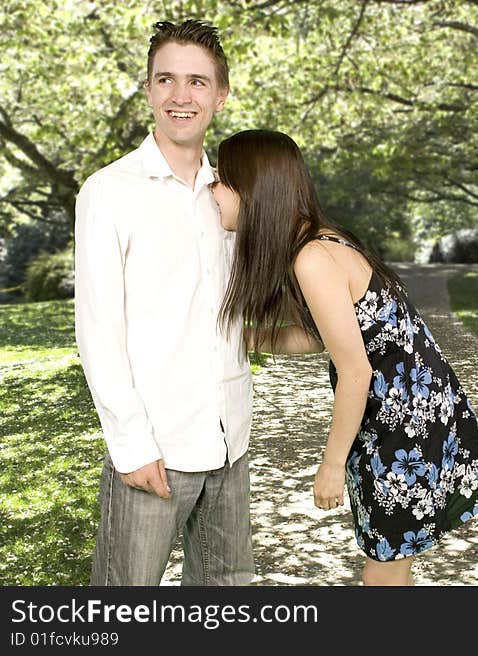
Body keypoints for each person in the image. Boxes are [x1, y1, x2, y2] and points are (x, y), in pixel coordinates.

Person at [212, 130, 478, 586]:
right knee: (391, 562)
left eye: (220, 179)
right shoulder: (320, 241)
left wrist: (331, 465)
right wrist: (245, 338)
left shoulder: (312, 257)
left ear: (253, 190)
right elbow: (327, 336)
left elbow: (355, 369)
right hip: (410, 415)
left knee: (382, 569)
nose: (211, 188)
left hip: (403, 427)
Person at [74, 20, 254, 586]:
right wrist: (129, 444)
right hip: (154, 446)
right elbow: (98, 331)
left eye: (198, 82)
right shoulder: (109, 191)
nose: (182, 96)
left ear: (220, 96)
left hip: (230, 440)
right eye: (167, 79)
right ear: (148, 89)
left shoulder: (230, 195)